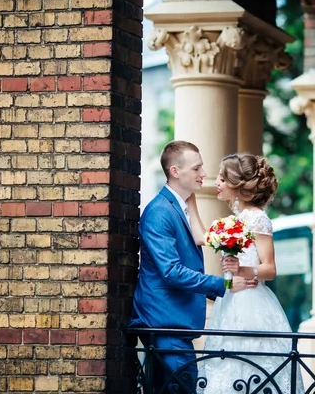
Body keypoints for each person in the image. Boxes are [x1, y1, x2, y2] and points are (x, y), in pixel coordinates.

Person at [129, 141, 256, 393]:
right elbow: (172, 272)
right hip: (164, 324)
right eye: (197, 168)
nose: (204, 174)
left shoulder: (182, 206)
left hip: (174, 325)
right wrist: (225, 285)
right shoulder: (159, 212)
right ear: (175, 171)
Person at [188, 153, 305, 394]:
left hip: (252, 302)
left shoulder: (257, 219)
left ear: (237, 185)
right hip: (230, 299)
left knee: (251, 366)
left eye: (222, 178)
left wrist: (242, 269)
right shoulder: (234, 221)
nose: (217, 183)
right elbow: (202, 238)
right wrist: (190, 201)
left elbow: (270, 268)